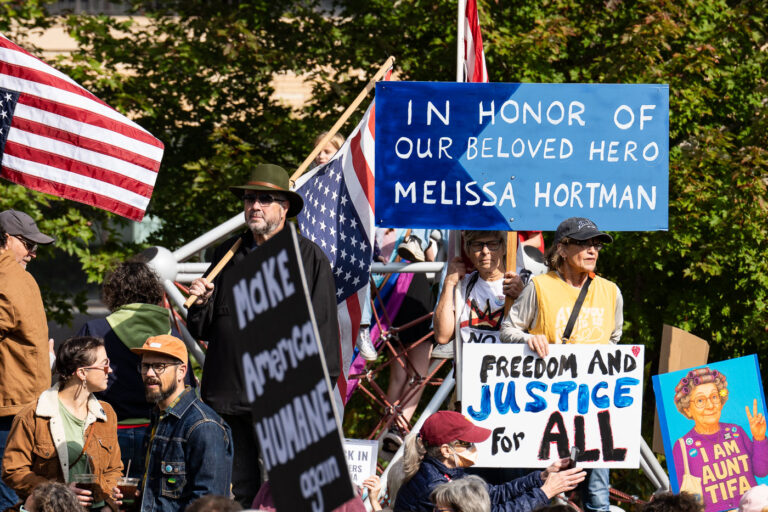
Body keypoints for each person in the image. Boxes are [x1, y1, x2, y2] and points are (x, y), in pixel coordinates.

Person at [187, 163, 339, 507]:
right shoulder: (226, 254)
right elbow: (202, 328)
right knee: (236, 490)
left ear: (284, 208)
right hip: (229, 399)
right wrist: (202, 302)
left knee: (288, 493)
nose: (254, 205)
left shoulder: (310, 259)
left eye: (265, 199)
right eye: (249, 198)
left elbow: (324, 334)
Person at [500, 217, 623, 512]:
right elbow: (508, 330)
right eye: (584, 243)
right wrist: (529, 340)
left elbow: (615, 338)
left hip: (593, 407)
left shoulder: (610, 291)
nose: (593, 250)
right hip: (544, 405)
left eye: (596, 244)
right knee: (540, 487)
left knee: (597, 495)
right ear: (563, 249)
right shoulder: (540, 287)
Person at [76, 261, 194, 478]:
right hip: (159, 432)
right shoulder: (172, 337)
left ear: (114, 293)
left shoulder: (94, 330)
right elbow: (188, 390)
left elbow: (75, 386)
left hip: (105, 433)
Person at [2, 336, 123, 511]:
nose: (110, 370)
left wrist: (109, 506)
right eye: (104, 364)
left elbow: (114, 469)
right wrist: (58, 493)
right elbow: (13, 471)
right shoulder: (33, 415)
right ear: (82, 372)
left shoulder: (106, 414)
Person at [393, 410, 585, 512]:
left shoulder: (447, 471)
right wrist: (545, 492)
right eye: (468, 443)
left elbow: (492, 494)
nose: (474, 447)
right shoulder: (433, 486)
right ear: (446, 450)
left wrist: (541, 477)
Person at [132, 335, 232, 511]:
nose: (149, 373)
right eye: (146, 366)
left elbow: (210, 504)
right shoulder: (160, 416)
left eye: (159, 366)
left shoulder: (204, 426)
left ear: (182, 371)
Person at [0, 209, 55, 509]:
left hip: (16, 410)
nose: (33, 253)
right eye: (28, 244)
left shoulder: (12, 276)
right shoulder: (10, 277)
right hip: (13, 412)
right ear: (7, 239)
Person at [671, 368, 767, 511]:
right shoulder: (682, 447)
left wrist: (759, 438)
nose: (710, 406)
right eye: (700, 400)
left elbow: (762, 471)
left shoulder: (736, 432)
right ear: (687, 409)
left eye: (714, 397)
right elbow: (680, 500)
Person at [434, 230, 524, 347]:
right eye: (477, 245)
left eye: (492, 244)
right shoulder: (464, 285)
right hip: (468, 364)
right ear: (468, 251)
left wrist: (522, 296)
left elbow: (541, 332)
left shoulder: (524, 282)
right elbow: (442, 336)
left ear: (503, 247)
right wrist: (449, 282)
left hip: (508, 363)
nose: (485, 251)